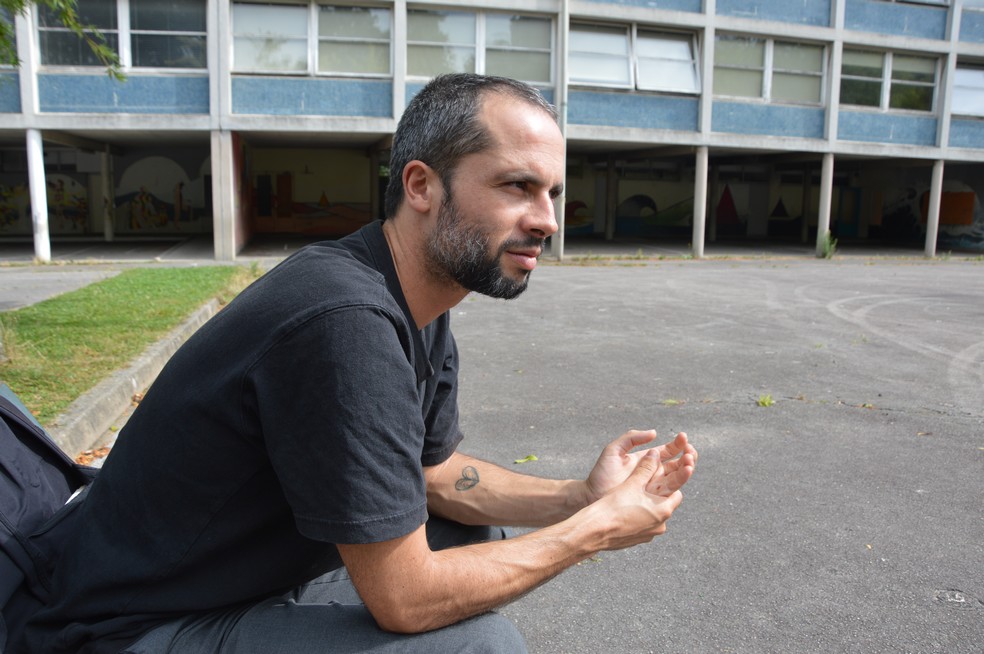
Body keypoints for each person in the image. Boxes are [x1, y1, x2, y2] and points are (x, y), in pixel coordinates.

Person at [13, 73, 697, 654]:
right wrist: (596, 530)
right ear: (422, 186)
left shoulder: (412, 299)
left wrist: (579, 497)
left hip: (222, 574)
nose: (548, 219)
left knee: (463, 529)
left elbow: (434, 476)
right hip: (127, 623)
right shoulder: (345, 324)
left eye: (551, 192)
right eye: (517, 185)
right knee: (479, 647)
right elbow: (406, 600)